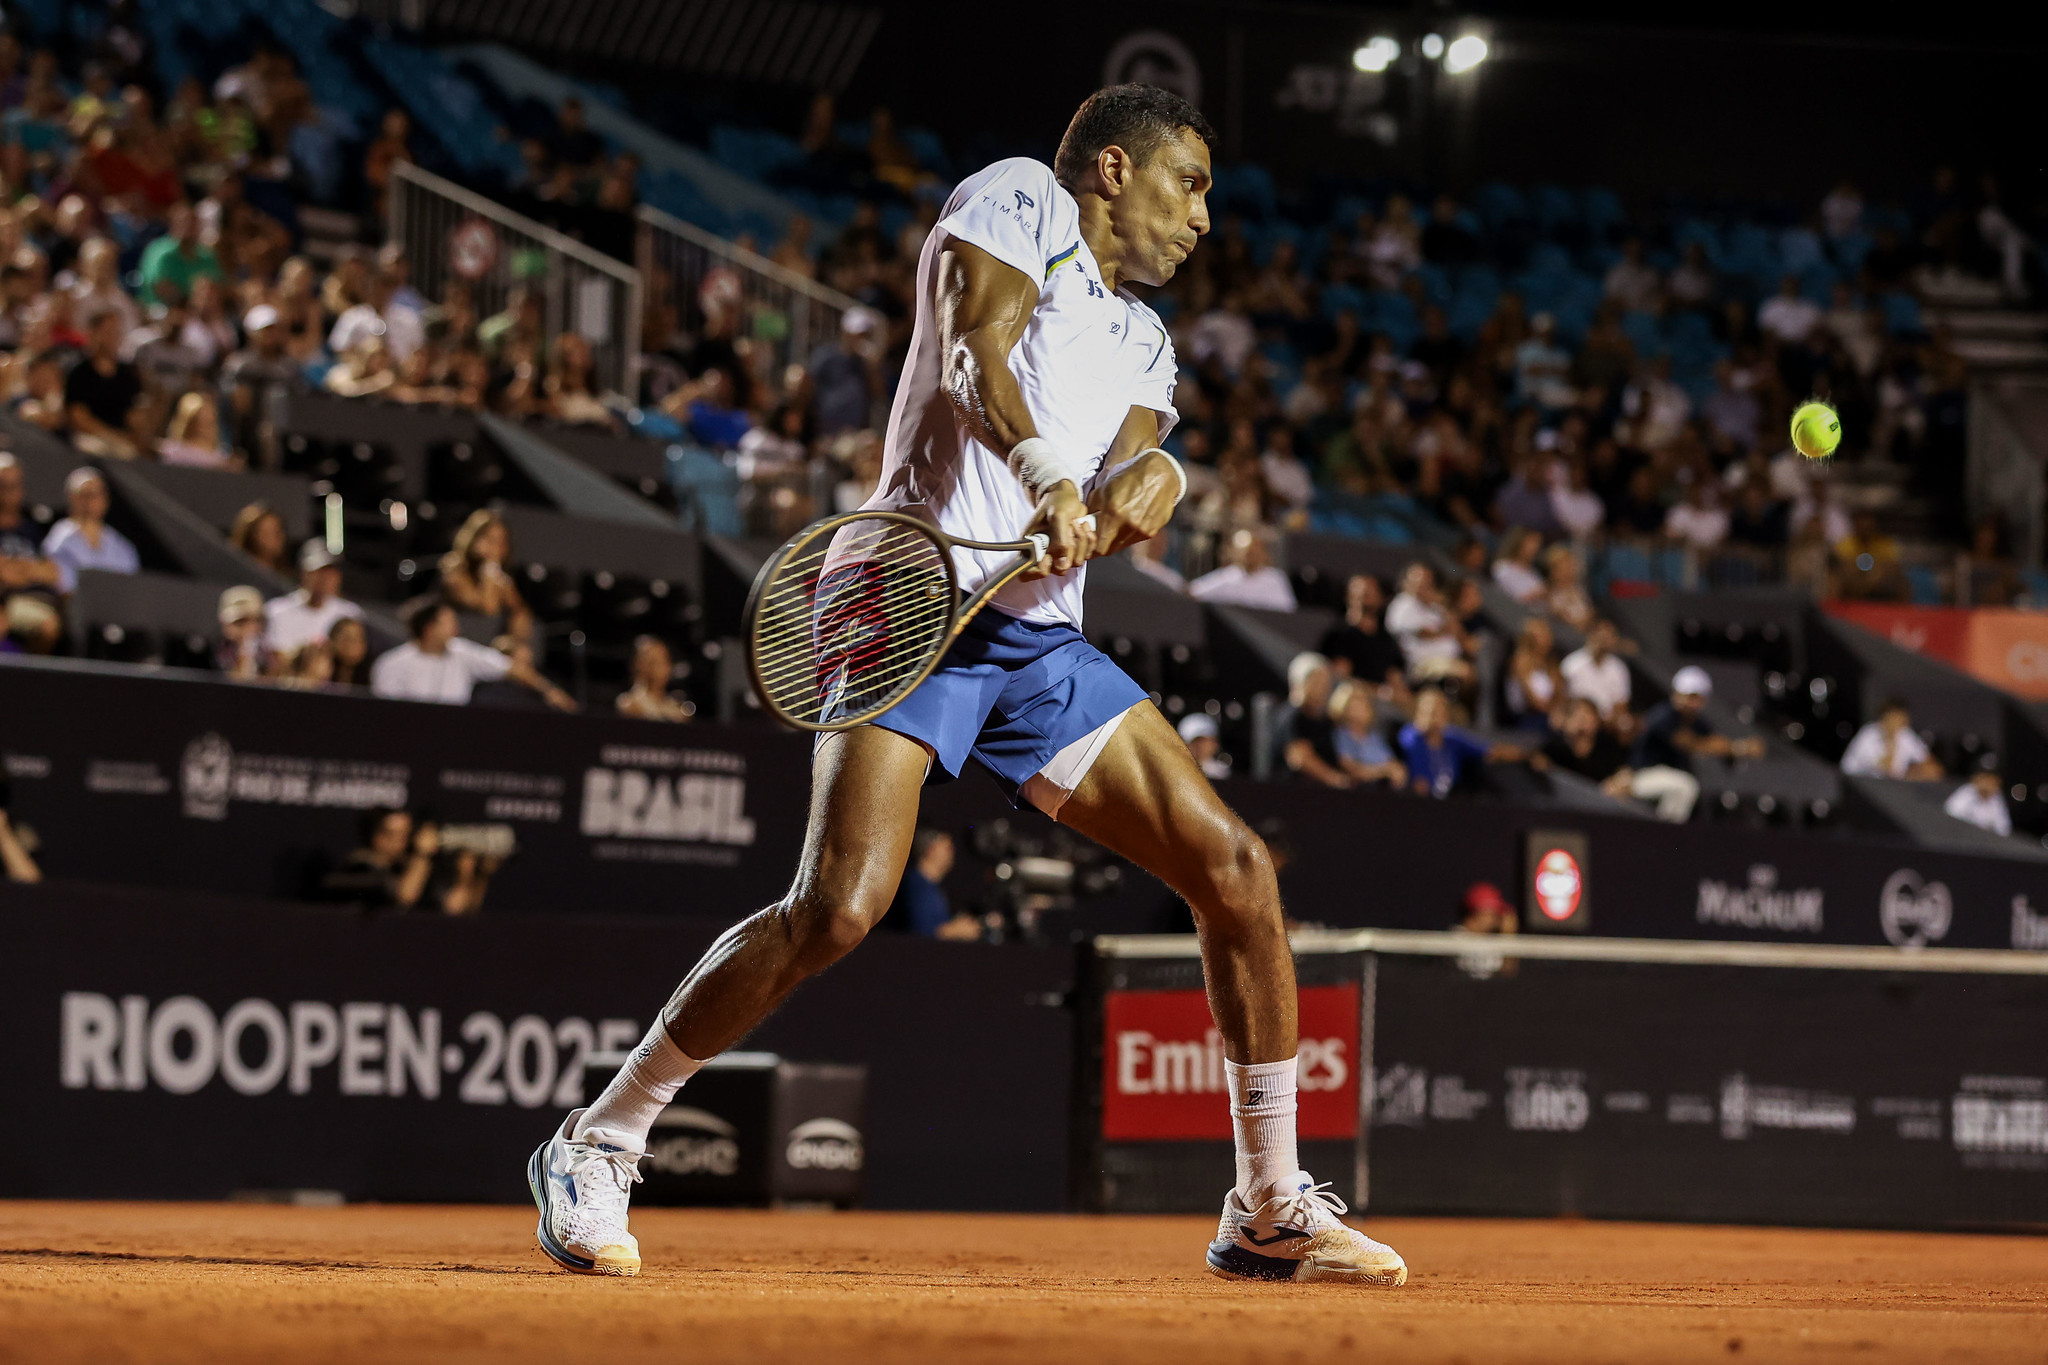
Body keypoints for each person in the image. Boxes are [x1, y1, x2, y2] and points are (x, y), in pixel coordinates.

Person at [531, 86, 1407, 1289]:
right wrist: (1049, 473)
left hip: (1035, 640)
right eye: (1188, 184)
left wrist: (1156, 485)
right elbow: (967, 348)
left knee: (1236, 873)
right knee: (838, 907)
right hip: (906, 596)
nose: (1204, 217)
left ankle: (1265, 1205)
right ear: (1113, 168)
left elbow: (1135, 460)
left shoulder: (1146, 337)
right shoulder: (1019, 198)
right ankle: (600, 1136)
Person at [372, 596, 574, 709]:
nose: (456, 628)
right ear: (429, 628)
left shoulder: (462, 652)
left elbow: (511, 668)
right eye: (449, 622)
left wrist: (548, 690)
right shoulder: (391, 664)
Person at [1631, 667, 1764, 821]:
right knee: (1686, 787)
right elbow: (1690, 743)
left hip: (1668, 779)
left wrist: (1734, 750)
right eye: (1686, 696)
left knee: (1690, 788)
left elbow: (1716, 742)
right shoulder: (1663, 715)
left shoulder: (1698, 723)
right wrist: (1740, 748)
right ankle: (1665, 836)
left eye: (1694, 697)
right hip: (1641, 777)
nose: (1689, 702)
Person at [1397, 687, 1526, 797]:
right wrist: (1425, 727)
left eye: (1438, 711)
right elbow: (1408, 740)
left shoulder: (1452, 737)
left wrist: (1528, 755)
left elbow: (1490, 751)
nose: (1432, 716)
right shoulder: (1411, 734)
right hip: (1417, 799)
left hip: (1451, 799)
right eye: (1428, 711)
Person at [437, 509, 534, 641]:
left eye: (502, 541)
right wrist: (490, 571)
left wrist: (516, 643)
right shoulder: (455, 569)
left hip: (484, 647)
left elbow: (520, 612)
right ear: (474, 538)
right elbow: (488, 609)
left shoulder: (502, 578)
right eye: (491, 540)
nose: (497, 548)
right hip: (452, 643)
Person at [319, 807, 437, 911]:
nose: (405, 842)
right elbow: (405, 898)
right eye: (397, 835)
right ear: (377, 837)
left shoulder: (403, 867)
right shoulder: (360, 867)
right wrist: (422, 855)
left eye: (407, 834)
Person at [0, 452, 61, 652]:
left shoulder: (32, 529)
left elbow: (52, 573)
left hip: (38, 599)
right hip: (7, 600)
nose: (7, 492)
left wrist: (17, 568)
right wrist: (29, 570)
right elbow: (6, 575)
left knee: (53, 623)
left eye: (14, 485)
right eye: (3, 486)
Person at [63, 309, 145, 456]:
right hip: (89, 437)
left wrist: (137, 436)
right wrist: (110, 435)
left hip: (120, 438)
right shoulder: (79, 372)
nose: (112, 337)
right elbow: (77, 416)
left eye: (115, 332)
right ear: (93, 334)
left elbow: (134, 415)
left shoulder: (127, 375)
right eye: (107, 332)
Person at [42, 468, 139, 591]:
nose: (90, 501)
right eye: (84, 495)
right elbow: (63, 584)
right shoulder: (58, 539)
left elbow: (130, 588)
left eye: (96, 495)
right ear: (71, 498)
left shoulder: (123, 547)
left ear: (106, 500)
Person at [264, 539, 364, 658]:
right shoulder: (276, 611)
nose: (326, 579)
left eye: (331, 573)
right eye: (320, 572)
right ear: (304, 573)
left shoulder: (349, 613)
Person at [1316, 574, 1407, 703]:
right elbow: (1341, 679)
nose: (1364, 594)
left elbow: (1395, 678)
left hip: (1385, 705)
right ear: (1348, 596)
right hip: (1352, 701)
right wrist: (1378, 692)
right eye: (1359, 591)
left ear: (1381, 598)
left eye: (1370, 591)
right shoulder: (1339, 634)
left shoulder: (1387, 640)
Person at [1283, 651, 1349, 788]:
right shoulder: (1292, 716)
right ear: (1300, 681)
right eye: (1316, 681)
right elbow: (1298, 756)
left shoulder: (1327, 721)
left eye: (1326, 681)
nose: (1323, 687)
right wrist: (1335, 779)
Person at [1188, 528, 1295, 610]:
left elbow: (1288, 608)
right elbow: (1195, 592)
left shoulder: (1275, 578)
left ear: (1263, 553)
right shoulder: (1227, 576)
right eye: (1246, 551)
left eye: (1254, 550)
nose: (1250, 554)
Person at [1839, 698, 1943, 781]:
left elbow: (1932, 766)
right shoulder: (1869, 734)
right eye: (1895, 718)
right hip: (1858, 783)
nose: (1899, 723)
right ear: (1885, 718)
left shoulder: (1905, 734)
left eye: (1902, 719)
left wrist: (1919, 770)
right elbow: (1885, 769)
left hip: (1890, 788)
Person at [1329, 679, 1404, 787]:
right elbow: (1352, 770)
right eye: (1355, 703)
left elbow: (1394, 765)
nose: (1361, 707)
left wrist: (1397, 771)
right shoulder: (1341, 736)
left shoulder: (1375, 737)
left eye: (1364, 702)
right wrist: (1383, 771)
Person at [886, 828, 960, 937]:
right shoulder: (917, 886)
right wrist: (955, 930)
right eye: (947, 848)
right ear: (931, 850)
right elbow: (922, 931)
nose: (952, 852)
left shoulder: (931, 888)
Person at [1559, 618, 1631, 724]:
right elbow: (1564, 701)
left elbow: (1621, 705)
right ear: (1591, 634)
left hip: (1608, 724)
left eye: (1608, 637)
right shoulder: (1571, 664)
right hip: (1578, 720)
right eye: (1601, 635)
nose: (1604, 640)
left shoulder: (1618, 668)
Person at [616, 636, 695, 722]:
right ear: (640, 666)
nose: (665, 669)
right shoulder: (631, 704)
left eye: (666, 662)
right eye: (655, 663)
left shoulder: (675, 708)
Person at [214, 585, 273, 680]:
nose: (246, 628)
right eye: (239, 622)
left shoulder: (269, 651)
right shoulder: (216, 651)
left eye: (248, 621)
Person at [1945, 765, 2012, 837]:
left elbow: (2004, 829)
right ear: (1976, 778)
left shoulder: (1996, 798)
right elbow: (1951, 818)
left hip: (1984, 841)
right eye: (1985, 777)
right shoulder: (1966, 793)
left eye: (1992, 778)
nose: (1989, 782)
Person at [228, 502, 292, 576]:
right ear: (253, 536)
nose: (281, 537)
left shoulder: (285, 577)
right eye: (274, 532)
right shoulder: (240, 575)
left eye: (280, 530)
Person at [1177, 712, 1232, 781]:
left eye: (1205, 741)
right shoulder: (1176, 771)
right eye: (1195, 742)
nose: (1200, 746)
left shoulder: (1222, 773)